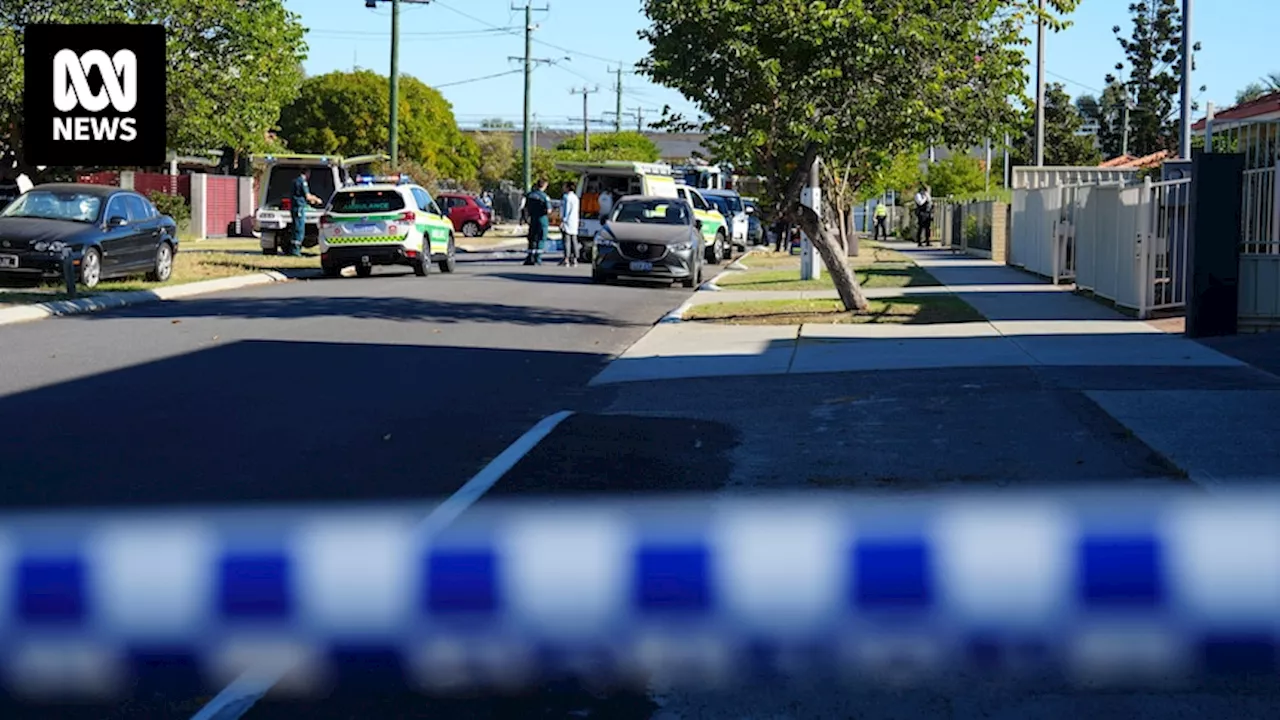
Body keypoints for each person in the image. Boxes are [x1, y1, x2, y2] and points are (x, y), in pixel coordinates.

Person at [288, 168, 323, 257]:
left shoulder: (294, 181)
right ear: (307, 173)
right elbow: (307, 196)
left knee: (295, 228)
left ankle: (294, 249)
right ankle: (295, 251)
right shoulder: (302, 182)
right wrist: (317, 200)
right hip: (299, 208)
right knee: (299, 229)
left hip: (295, 207)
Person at [523, 178, 551, 266]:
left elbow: (525, 208)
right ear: (545, 185)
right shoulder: (544, 196)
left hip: (532, 219)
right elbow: (549, 210)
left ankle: (530, 257)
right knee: (541, 238)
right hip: (542, 219)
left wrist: (526, 218)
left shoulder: (530, 195)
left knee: (532, 238)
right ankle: (537, 258)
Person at [559, 181, 581, 267]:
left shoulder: (566, 197)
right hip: (574, 221)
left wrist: (563, 221)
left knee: (566, 241)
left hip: (567, 221)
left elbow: (566, 210)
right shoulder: (576, 197)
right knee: (574, 240)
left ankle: (566, 259)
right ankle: (575, 258)